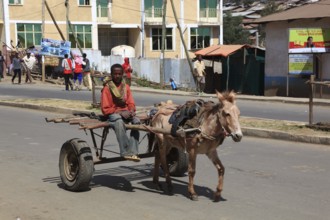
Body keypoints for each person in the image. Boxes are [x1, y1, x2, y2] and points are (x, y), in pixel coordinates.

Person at [101, 64, 141, 162]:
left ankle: (133, 152)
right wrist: (120, 113)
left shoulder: (126, 87)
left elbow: (131, 103)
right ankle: (126, 152)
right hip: (113, 115)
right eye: (115, 74)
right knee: (119, 122)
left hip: (126, 113)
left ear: (122, 74)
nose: (117, 76)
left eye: (119, 74)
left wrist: (131, 111)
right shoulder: (107, 88)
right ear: (111, 74)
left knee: (137, 121)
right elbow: (105, 109)